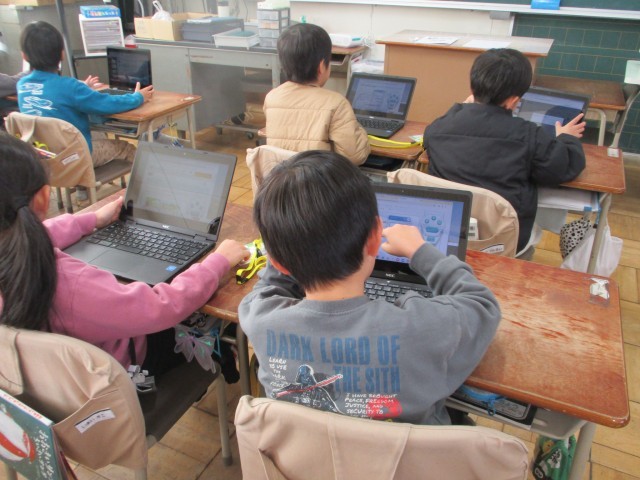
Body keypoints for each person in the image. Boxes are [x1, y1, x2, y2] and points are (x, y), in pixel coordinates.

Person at [239, 150, 501, 425]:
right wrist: (420, 250)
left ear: (278, 263)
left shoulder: (258, 318)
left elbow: (269, 285)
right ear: (375, 237)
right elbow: (482, 304)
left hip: (309, 452)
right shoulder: (425, 328)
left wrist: (289, 244)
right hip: (406, 453)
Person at [0, 132, 249, 378]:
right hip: (121, 370)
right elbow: (160, 307)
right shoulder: (67, 282)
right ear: (44, 198)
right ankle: (222, 352)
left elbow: (36, 233)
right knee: (210, 310)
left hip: (42, 381)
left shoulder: (15, 251)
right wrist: (217, 263)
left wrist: (91, 220)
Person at [423, 48, 586, 254]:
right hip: (503, 242)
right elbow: (566, 166)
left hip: (446, 233)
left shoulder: (438, 128)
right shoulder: (529, 135)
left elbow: (431, 135)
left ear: (472, 87)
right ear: (513, 101)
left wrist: (461, 110)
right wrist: (565, 137)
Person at [16, 21, 153, 172]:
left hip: (42, 159)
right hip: (73, 158)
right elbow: (106, 103)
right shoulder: (70, 87)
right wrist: (138, 97)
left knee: (96, 133)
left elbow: (54, 96)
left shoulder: (22, 85)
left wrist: (83, 90)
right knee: (126, 148)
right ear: (62, 54)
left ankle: (83, 183)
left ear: (24, 56)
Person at [263, 23, 370, 165]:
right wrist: (360, 131)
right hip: (317, 178)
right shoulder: (336, 103)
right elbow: (355, 156)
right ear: (321, 67)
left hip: (282, 176)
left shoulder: (272, 97)